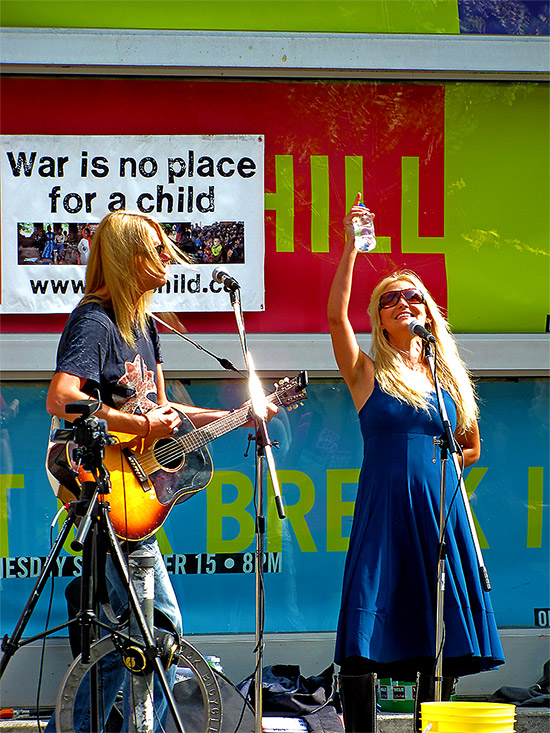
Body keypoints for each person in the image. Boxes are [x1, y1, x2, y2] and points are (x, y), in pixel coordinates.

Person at [45, 210, 276, 731]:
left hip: (131, 489)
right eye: (155, 249)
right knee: (159, 624)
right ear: (129, 258)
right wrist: (137, 425)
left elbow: (164, 412)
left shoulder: (144, 326)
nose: (168, 258)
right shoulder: (95, 320)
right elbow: (61, 398)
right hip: (101, 488)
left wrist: (237, 416)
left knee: (119, 634)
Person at [327, 194, 504, 733]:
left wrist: (444, 473)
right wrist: (352, 250)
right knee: (365, 630)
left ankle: (434, 724)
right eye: (391, 300)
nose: (404, 303)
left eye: (413, 297)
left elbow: (470, 446)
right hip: (383, 508)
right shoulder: (367, 374)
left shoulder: (448, 379)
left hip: (439, 510)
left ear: (428, 312)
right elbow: (335, 318)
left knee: (438, 631)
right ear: (379, 319)